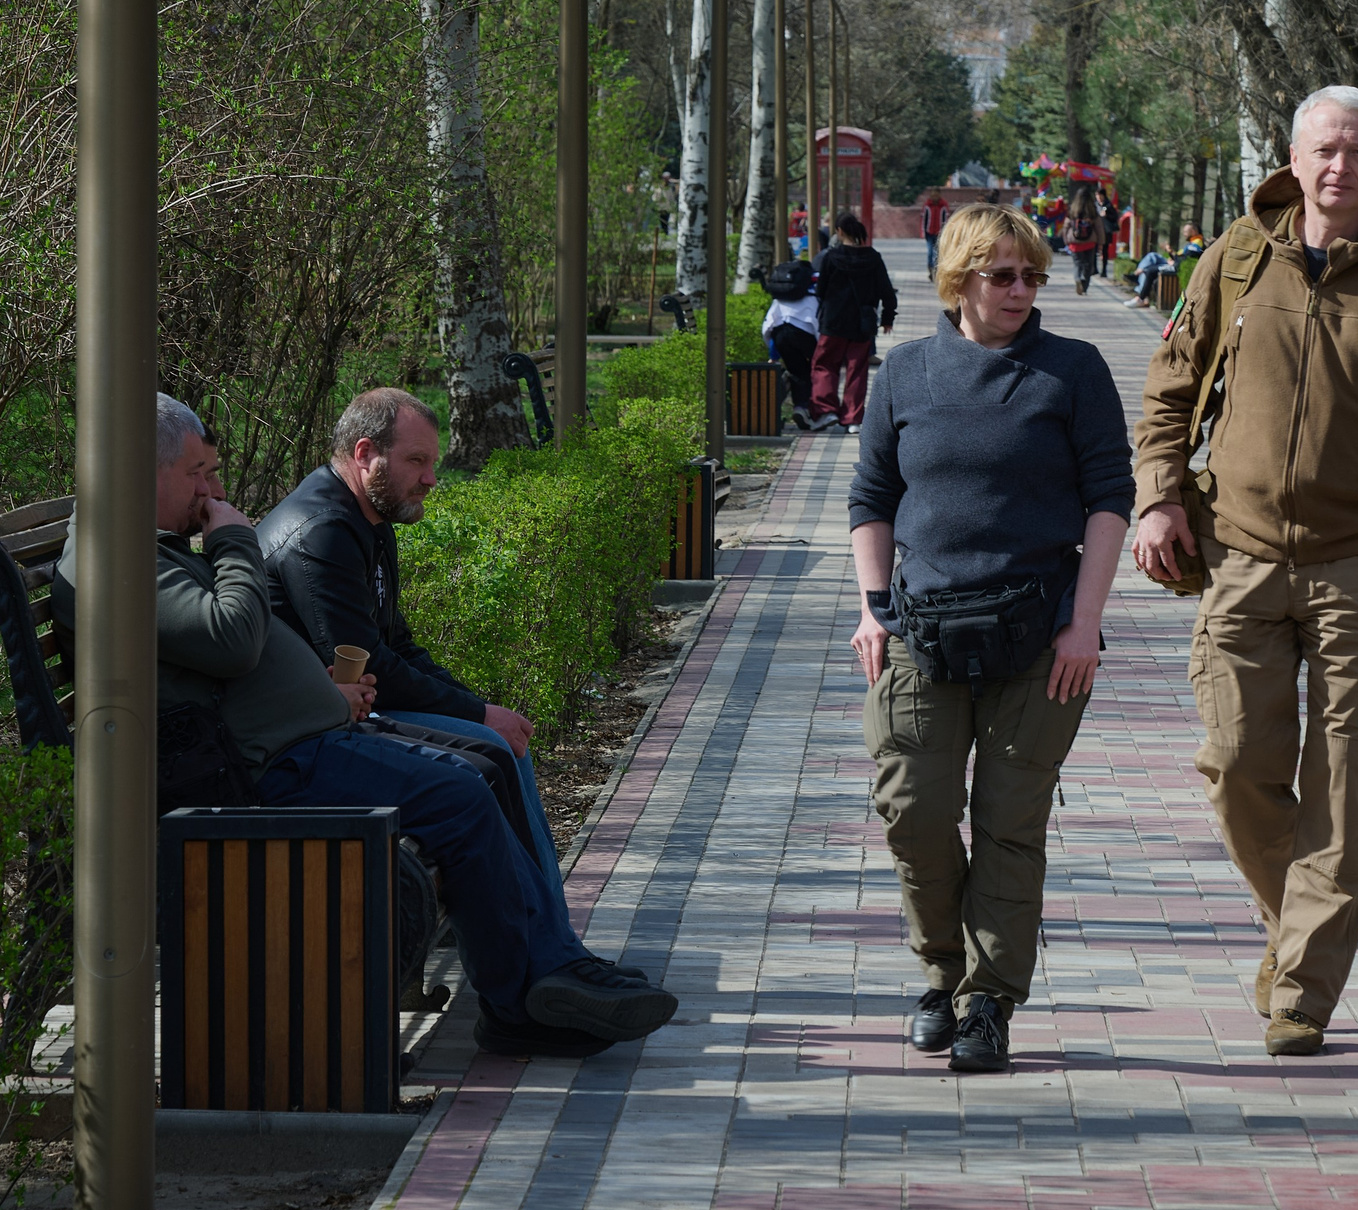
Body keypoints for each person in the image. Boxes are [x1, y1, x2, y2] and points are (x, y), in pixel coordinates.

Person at [71, 395, 673, 1059]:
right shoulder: (118, 560)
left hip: (303, 740)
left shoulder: (144, 549)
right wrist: (231, 540)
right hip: (265, 771)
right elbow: (233, 639)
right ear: (141, 473)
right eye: (199, 474)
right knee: (462, 793)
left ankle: (548, 970)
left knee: (476, 773)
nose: (215, 492)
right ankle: (520, 1002)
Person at [1132, 85, 1358, 1056]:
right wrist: (1158, 492)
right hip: (1235, 553)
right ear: (1293, 154)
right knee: (1235, 765)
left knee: (1338, 778)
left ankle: (1303, 991)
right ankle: (1293, 931)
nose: (1340, 167)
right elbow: (1168, 386)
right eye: (1325, 148)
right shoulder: (1235, 259)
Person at [847, 205, 1133, 1075]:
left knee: (1012, 824)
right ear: (959, 280)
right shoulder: (905, 374)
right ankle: (940, 973)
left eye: (1031, 276)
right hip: (920, 635)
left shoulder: (1072, 370)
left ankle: (987, 1001)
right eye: (1001, 275)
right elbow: (872, 498)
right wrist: (870, 607)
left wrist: (1084, 622)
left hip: (1039, 640)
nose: (1020, 291)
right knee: (914, 814)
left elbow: (1108, 498)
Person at [257, 388, 664, 997]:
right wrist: (476, 714)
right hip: (312, 739)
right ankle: (545, 963)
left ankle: (556, 949)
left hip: (341, 717)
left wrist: (483, 708)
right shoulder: (322, 532)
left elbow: (398, 646)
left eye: (433, 463)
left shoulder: (365, 518)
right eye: (418, 462)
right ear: (366, 453)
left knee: (499, 745)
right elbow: (365, 667)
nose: (431, 479)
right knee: (489, 751)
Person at [813, 212, 898, 432]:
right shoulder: (873, 257)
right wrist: (887, 318)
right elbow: (886, 291)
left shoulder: (831, 257)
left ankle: (826, 411)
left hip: (833, 321)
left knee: (825, 365)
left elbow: (820, 291)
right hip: (862, 323)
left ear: (839, 231)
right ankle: (852, 418)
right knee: (857, 369)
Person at [760, 257, 824, 430]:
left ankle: (800, 407)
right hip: (805, 335)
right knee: (815, 371)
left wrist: (773, 356)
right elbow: (818, 328)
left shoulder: (779, 299)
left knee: (797, 372)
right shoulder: (812, 298)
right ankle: (815, 410)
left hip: (781, 335)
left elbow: (770, 327)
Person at [1066, 191, 1102, 294]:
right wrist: (1101, 242)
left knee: (1077, 264)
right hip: (1090, 242)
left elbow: (1066, 225)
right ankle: (1084, 285)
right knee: (1088, 265)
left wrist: (1066, 239)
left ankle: (1077, 278)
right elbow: (1099, 227)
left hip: (1075, 242)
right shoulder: (1092, 211)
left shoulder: (1073, 210)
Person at [922, 196, 948, 281]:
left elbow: (946, 220)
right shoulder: (927, 206)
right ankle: (930, 271)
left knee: (937, 253)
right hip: (929, 232)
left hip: (939, 233)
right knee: (930, 252)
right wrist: (923, 232)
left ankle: (937, 271)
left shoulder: (943, 206)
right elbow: (924, 219)